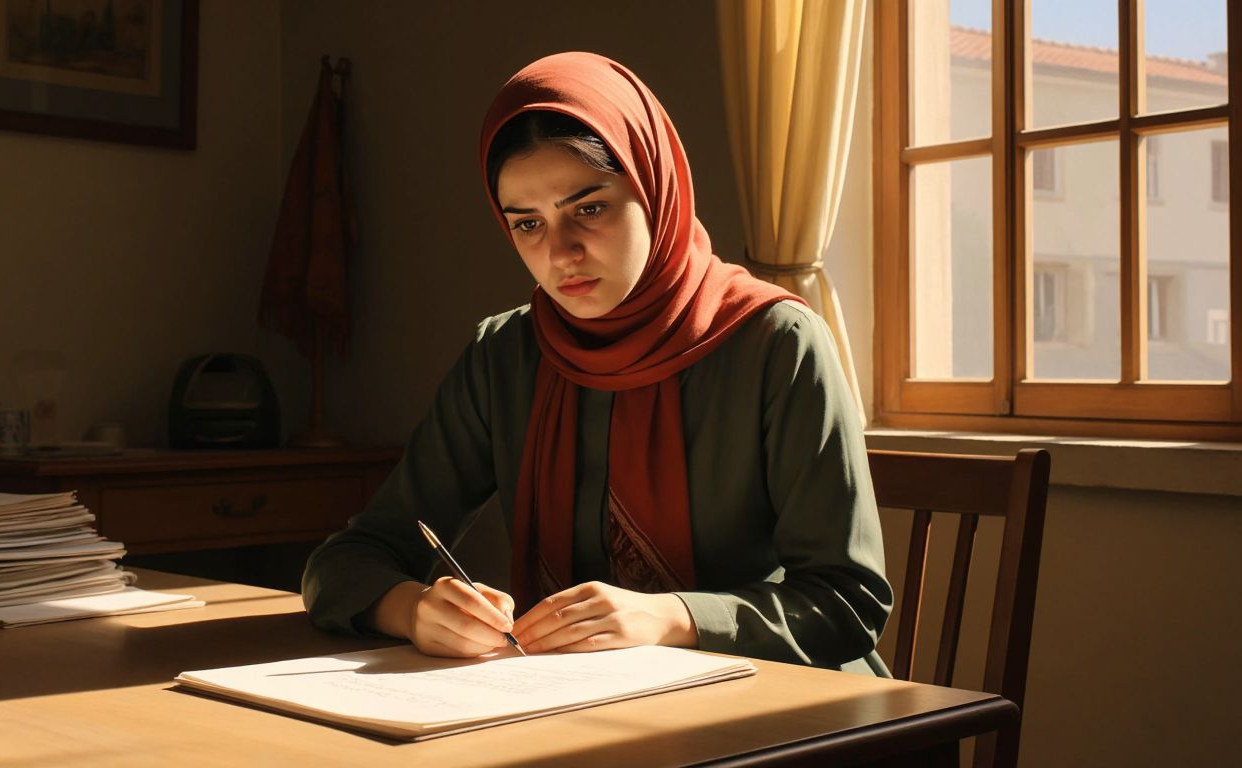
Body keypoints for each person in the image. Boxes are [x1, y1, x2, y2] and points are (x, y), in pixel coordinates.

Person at [303, 52, 892, 675]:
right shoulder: (505, 356)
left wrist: (669, 618)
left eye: (588, 208)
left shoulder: (776, 342)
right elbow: (345, 561)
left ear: (653, 189)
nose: (560, 253)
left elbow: (847, 602)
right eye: (528, 223)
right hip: (571, 707)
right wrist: (413, 608)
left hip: (784, 711)